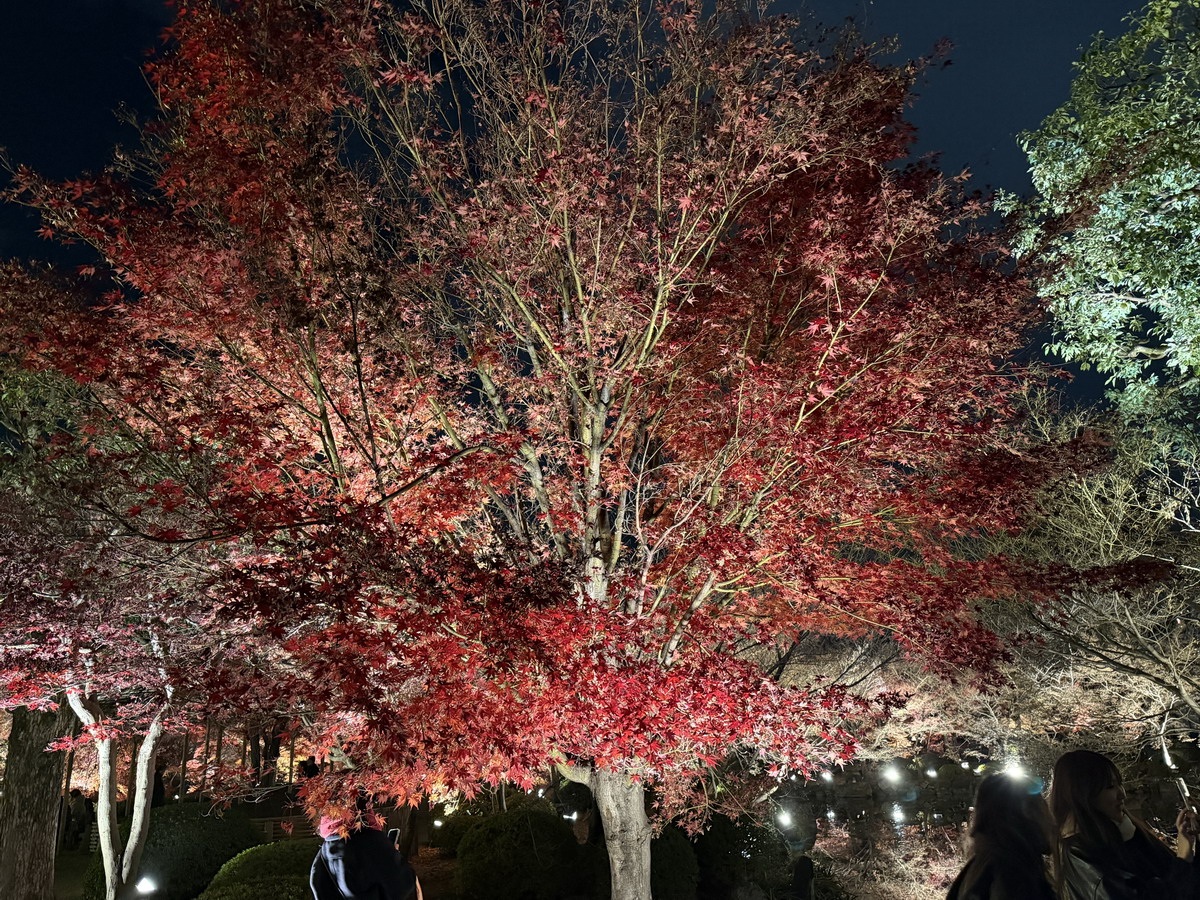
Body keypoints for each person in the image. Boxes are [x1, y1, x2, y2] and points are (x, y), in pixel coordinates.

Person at [1051, 749, 1198, 899]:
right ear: (1084, 794)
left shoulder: (1128, 832)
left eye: (1119, 784)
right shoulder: (1080, 853)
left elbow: (1186, 884)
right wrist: (1183, 859)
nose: (1122, 794)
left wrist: (1192, 842)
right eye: (1110, 786)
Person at [946, 772, 1058, 900]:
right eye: (1042, 804)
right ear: (1027, 812)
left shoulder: (983, 865)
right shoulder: (1013, 872)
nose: (1050, 817)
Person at [310, 810, 421, 900]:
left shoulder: (325, 851)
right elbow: (401, 886)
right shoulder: (372, 841)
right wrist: (398, 859)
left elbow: (318, 886)